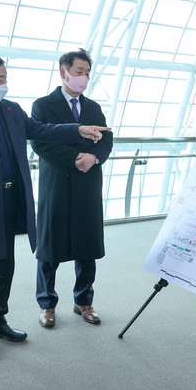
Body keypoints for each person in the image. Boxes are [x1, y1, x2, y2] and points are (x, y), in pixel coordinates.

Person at [0, 54, 109, 358]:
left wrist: (78, 130)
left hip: (10, 199)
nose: (5, 83)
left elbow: (42, 130)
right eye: (0, 78)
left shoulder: (11, 109)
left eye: (6, 77)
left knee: (4, 265)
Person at [31, 48, 113, 328]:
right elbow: (40, 143)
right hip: (57, 183)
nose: (84, 78)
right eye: (79, 71)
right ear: (63, 72)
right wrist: (75, 157)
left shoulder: (94, 108)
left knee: (87, 245)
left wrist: (94, 157)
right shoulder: (43, 105)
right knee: (49, 248)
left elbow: (106, 140)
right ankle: (46, 304)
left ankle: (83, 301)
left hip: (88, 182)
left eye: (88, 73)